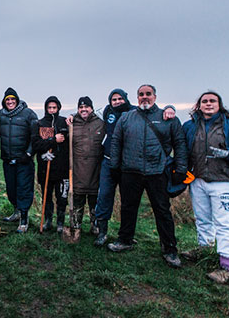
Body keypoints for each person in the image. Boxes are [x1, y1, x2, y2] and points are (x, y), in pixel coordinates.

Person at [108, 84, 188, 268]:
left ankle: (169, 249)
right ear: (137, 98)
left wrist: (181, 168)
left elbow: (180, 144)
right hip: (130, 170)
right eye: (141, 94)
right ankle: (125, 240)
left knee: (162, 210)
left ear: (155, 96)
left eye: (148, 94)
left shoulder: (168, 118)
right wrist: (115, 165)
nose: (145, 97)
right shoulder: (127, 117)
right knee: (128, 208)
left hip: (157, 172)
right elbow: (116, 141)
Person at [93, 89, 176, 246]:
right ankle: (102, 232)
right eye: (114, 99)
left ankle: (131, 236)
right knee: (104, 196)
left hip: (127, 165)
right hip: (108, 162)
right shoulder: (107, 111)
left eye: (120, 99)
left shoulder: (133, 112)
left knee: (130, 203)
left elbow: (154, 113)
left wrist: (170, 108)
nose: (117, 102)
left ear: (127, 99)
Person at [182, 91, 229, 283]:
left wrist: (228, 153)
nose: (208, 104)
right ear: (199, 105)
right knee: (202, 219)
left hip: (224, 181)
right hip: (198, 179)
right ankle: (205, 249)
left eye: (213, 101)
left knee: (225, 223)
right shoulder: (190, 126)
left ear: (219, 104)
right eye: (205, 101)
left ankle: (227, 265)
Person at [0, 87, 38, 233]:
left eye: (13, 99)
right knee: (11, 189)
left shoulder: (28, 114)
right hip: (8, 159)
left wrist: (29, 153)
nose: (10, 102)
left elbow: (35, 135)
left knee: (24, 189)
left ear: (17, 100)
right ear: (4, 101)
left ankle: (24, 219)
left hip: (24, 160)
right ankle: (16, 211)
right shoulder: (1, 115)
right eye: (8, 100)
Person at [68, 97, 105, 242]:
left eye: (87, 107)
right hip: (77, 170)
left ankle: (95, 225)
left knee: (94, 200)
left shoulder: (100, 124)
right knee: (78, 199)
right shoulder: (72, 124)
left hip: (96, 170)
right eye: (81, 108)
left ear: (92, 108)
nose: (84, 110)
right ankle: (76, 226)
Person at [32, 96, 69, 233]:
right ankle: (48, 220)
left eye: (54, 107)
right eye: (49, 108)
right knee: (47, 195)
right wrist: (53, 140)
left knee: (62, 197)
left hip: (62, 168)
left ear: (58, 108)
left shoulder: (64, 122)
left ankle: (60, 222)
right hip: (45, 167)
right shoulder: (40, 123)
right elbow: (36, 144)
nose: (52, 110)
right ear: (45, 108)